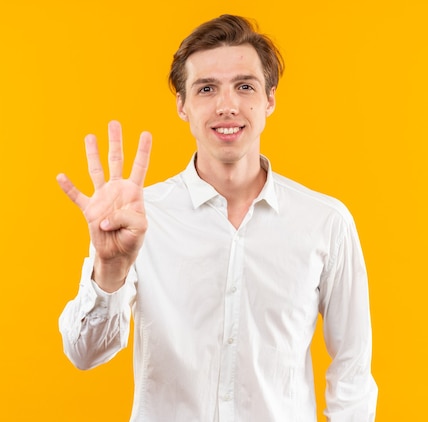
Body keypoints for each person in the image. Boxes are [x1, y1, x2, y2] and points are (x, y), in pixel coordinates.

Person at [57, 14, 377, 422]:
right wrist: (110, 268)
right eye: (206, 89)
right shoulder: (135, 218)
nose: (227, 106)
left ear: (270, 100)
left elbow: (352, 369)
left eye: (245, 86)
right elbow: (85, 354)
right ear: (183, 106)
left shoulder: (325, 222)